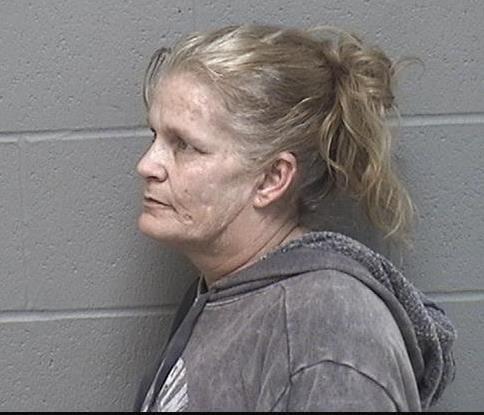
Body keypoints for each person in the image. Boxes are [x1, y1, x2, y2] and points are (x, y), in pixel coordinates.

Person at [134, 24, 456, 412]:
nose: (147, 165)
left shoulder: (330, 334)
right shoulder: (223, 292)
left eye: (184, 145)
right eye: (155, 136)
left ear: (272, 179)